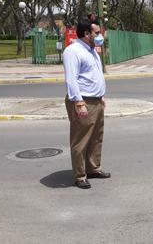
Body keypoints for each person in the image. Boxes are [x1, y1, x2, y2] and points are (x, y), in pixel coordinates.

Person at [63, 21, 110, 189]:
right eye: (96, 33)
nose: (100, 36)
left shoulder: (92, 51)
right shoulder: (73, 51)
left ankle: (93, 168)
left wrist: (100, 96)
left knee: (96, 137)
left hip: (96, 101)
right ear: (86, 33)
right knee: (81, 140)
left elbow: (92, 76)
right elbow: (72, 79)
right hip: (83, 101)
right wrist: (79, 102)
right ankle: (80, 175)